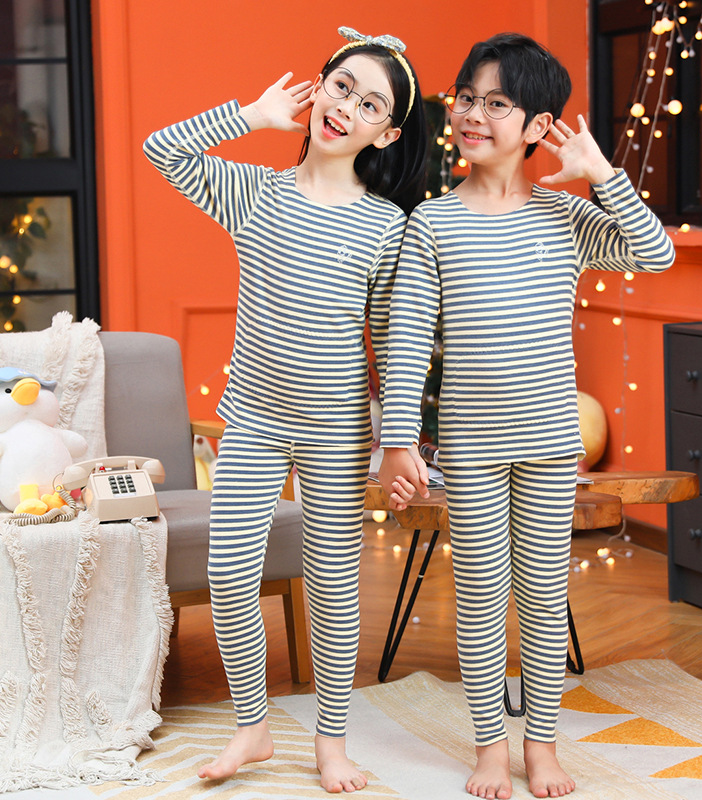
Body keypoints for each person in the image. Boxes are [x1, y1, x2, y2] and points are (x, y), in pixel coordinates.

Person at [378, 32, 674, 800]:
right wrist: (397, 441)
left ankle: (540, 744)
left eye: (497, 103)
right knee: (480, 598)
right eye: (466, 98)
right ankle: (489, 747)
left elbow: (656, 253)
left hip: (548, 442)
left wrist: (602, 174)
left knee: (544, 597)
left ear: (539, 125)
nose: (472, 115)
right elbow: (407, 339)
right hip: (471, 447)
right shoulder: (432, 224)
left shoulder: (565, 218)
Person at [144, 26, 427, 793]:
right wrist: (250, 115)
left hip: (338, 432)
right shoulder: (254, 194)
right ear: (318, 87)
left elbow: (394, 340)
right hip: (255, 422)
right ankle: (254, 728)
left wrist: (398, 441)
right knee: (231, 572)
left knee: (333, 587)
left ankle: (331, 742)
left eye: (370, 105)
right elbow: (161, 149)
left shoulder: (387, 224)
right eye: (342, 87)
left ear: (386, 133)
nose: (347, 108)